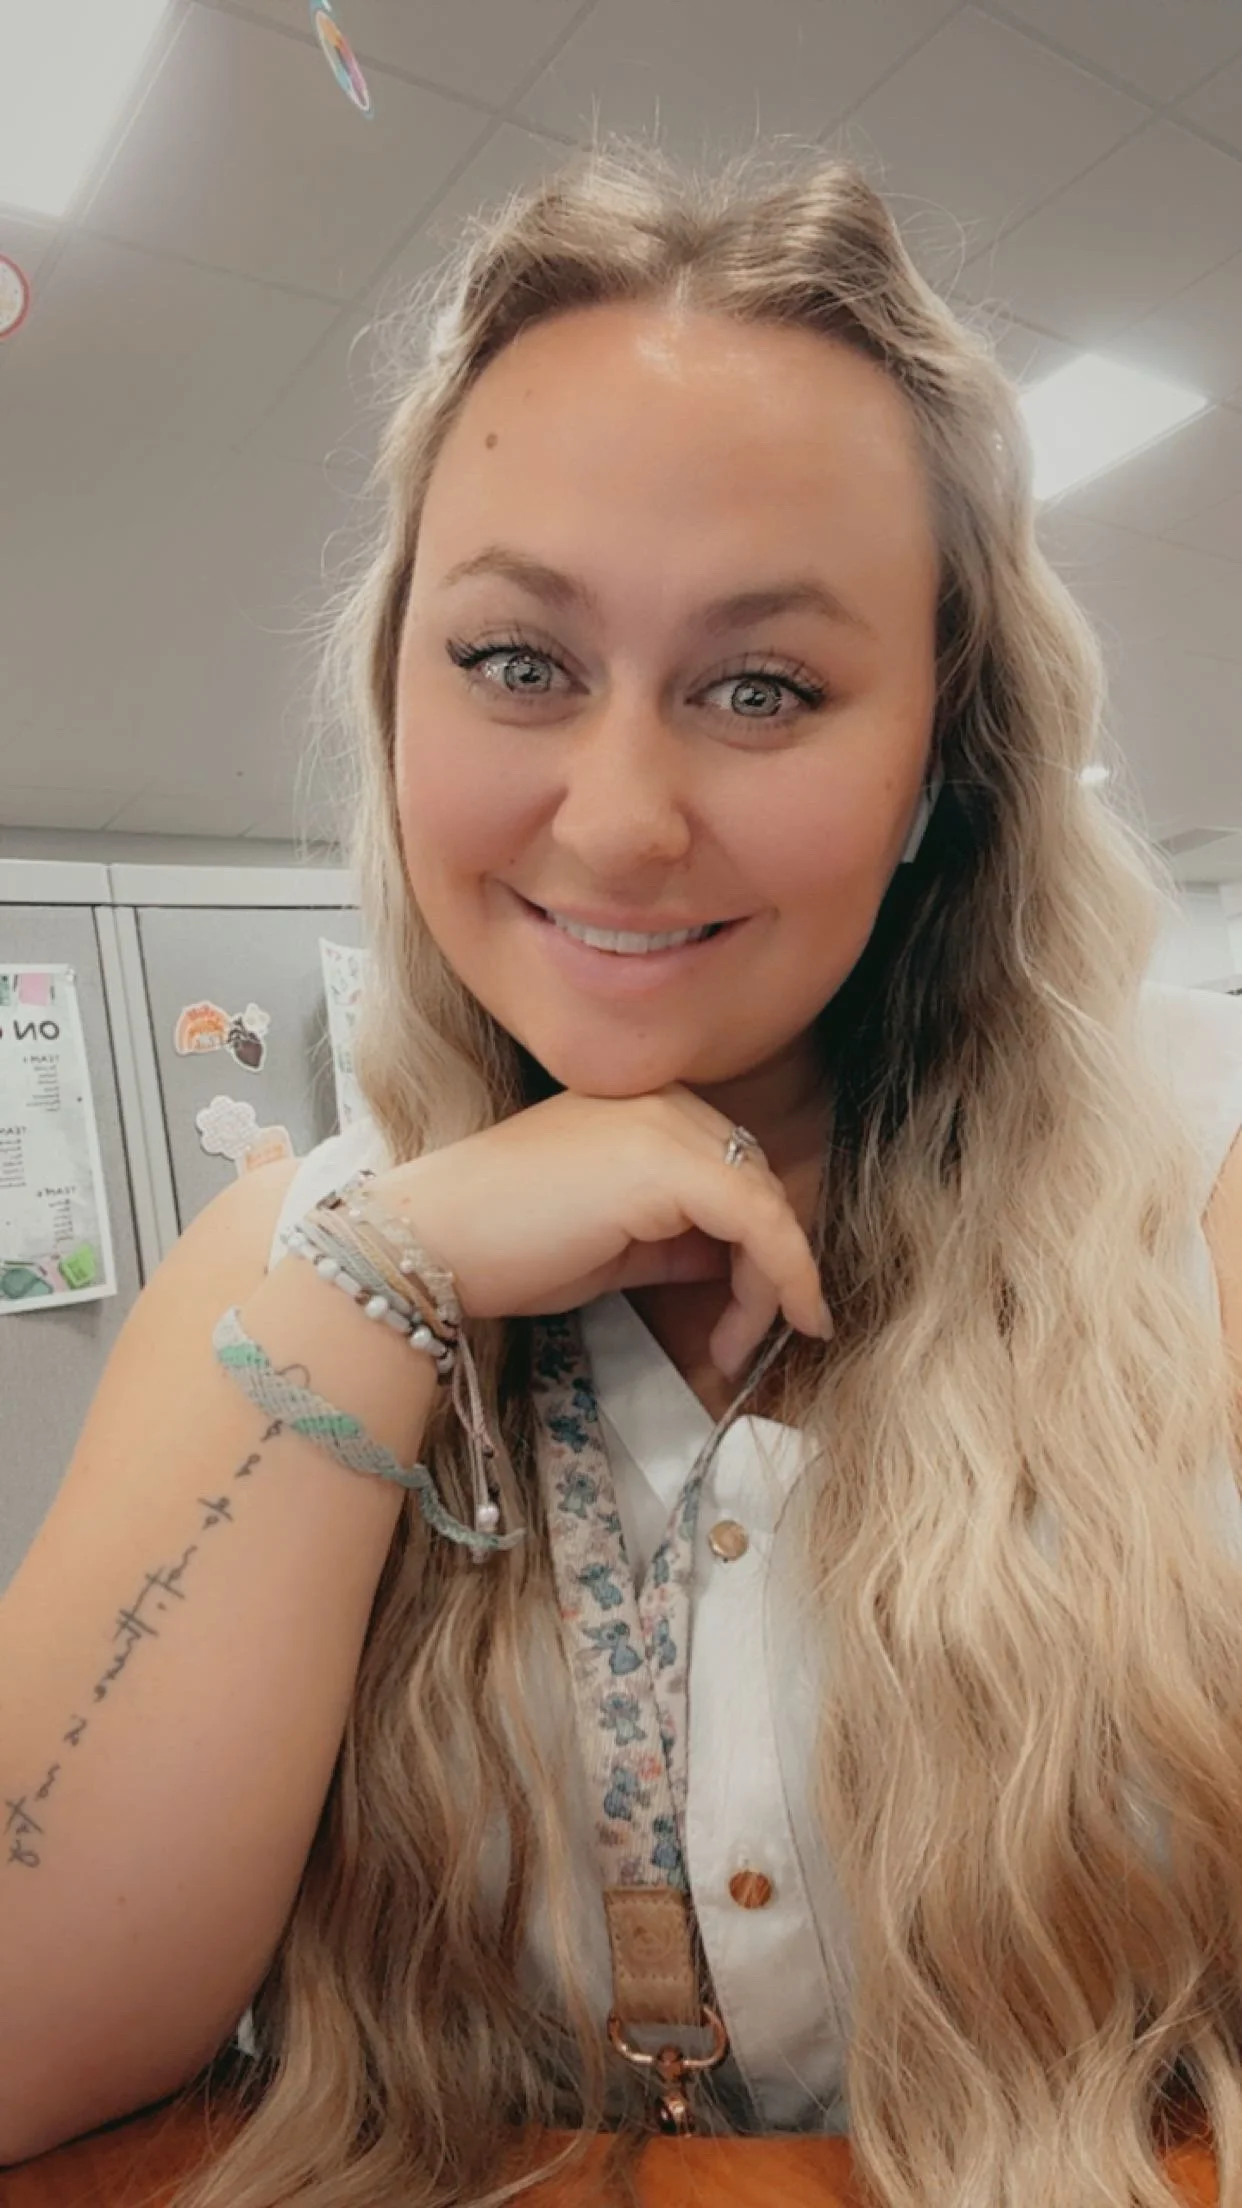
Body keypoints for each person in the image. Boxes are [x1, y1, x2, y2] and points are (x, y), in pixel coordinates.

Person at [3, 137, 1242, 2208]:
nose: (622, 816)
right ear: (397, 689)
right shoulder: (282, 1264)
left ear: (943, 758)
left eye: (764, 685)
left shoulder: (1195, 1208)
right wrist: (383, 1273)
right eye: (517, 662)